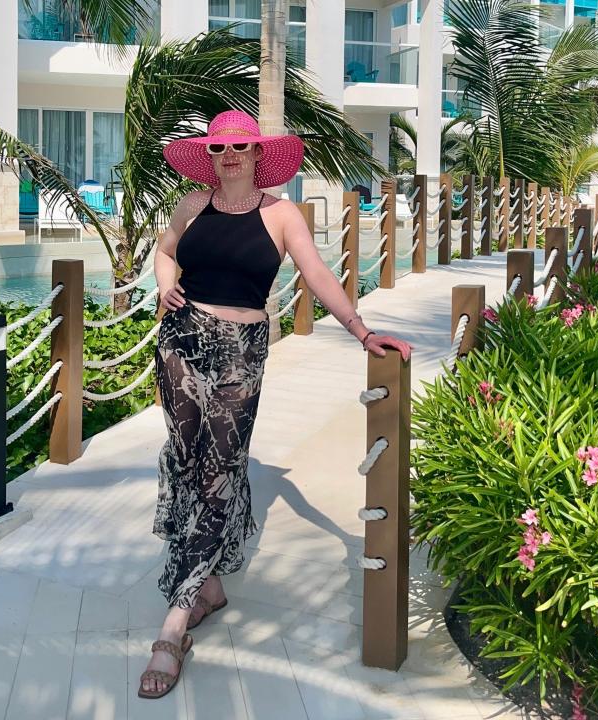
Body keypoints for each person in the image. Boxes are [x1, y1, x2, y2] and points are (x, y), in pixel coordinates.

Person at [138, 110, 413, 699]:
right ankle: (208, 587)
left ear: (259, 154)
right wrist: (165, 283)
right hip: (181, 341)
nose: (230, 155)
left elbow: (317, 273)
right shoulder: (192, 204)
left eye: (241, 145)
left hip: (241, 352)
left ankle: (175, 624)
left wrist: (362, 330)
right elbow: (165, 251)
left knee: (220, 471)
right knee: (186, 462)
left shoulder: (281, 213)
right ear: (209, 155)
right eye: (220, 147)